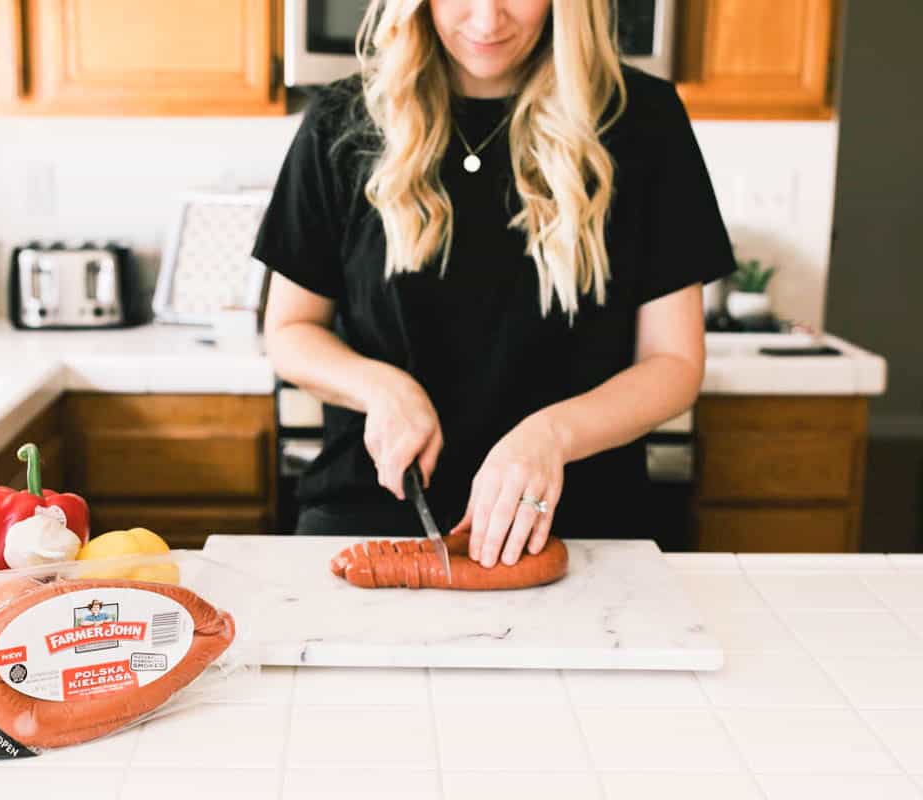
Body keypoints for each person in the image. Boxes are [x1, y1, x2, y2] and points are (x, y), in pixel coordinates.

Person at [252, 0, 735, 568]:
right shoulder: (342, 119)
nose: (487, 20)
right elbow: (289, 330)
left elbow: (675, 363)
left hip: (581, 532)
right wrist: (380, 388)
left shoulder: (643, 120)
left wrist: (552, 436)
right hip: (372, 523)